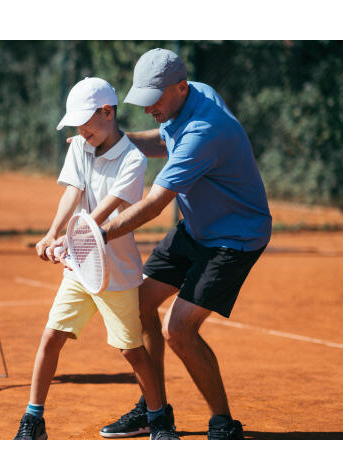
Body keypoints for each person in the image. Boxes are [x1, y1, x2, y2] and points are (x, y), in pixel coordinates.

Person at [96, 48, 272, 440]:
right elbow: (161, 140)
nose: (147, 108)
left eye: (154, 100)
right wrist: (115, 141)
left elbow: (155, 204)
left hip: (234, 238)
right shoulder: (190, 97)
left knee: (178, 330)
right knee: (140, 303)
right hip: (198, 228)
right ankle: (153, 407)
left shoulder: (204, 131)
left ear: (180, 87)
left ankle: (224, 425)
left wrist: (98, 234)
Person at [13, 77, 179, 440]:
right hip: (78, 271)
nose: (80, 130)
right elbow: (73, 192)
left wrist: (74, 240)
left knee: (132, 351)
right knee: (51, 338)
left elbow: (107, 211)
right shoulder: (80, 146)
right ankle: (33, 420)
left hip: (115, 274)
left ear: (108, 112)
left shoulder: (132, 159)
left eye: (85, 121)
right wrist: (52, 233)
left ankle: (159, 420)